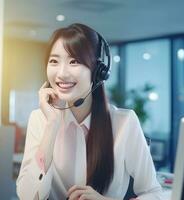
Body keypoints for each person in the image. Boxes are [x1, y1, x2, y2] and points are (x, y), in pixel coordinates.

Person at [16, 23, 165, 200]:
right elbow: (28, 196)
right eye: (54, 61)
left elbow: (154, 193)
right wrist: (52, 125)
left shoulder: (124, 123)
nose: (61, 73)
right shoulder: (41, 119)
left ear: (97, 72)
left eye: (74, 61)